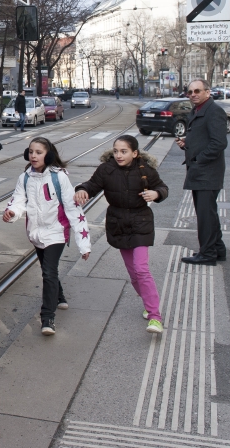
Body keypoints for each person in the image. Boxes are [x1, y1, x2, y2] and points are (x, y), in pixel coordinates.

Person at [74, 136, 168, 334]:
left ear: (134, 153)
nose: (118, 155)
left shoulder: (145, 170)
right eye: (116, 150)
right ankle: (148, 303)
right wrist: (82, 190)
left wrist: (156, 194)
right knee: (134, 273)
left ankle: (155, 316)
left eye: (123, 151)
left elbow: (162, 187)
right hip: (119, 225)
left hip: (141, 223)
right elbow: (92, 185)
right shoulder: (106, 170)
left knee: (141, 269)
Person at [2, 137, 91, 336]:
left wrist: (84, 244)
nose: (33, 156)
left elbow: (73, 209)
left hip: (56, 232)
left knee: (48, 272)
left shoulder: (59, 178)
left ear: (48, 155)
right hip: (35, 233)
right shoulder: (24, 178)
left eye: (39, 152)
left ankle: (47, 318)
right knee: (47, 269)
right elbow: (18, 201)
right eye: (31, 151)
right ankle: (59, 296)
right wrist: (12, 213)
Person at [176, 79, 227, 265]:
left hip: (207, 172)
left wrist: (198, 159)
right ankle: (218, 249)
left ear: (207, 92)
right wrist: (187, 142)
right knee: (208, 213)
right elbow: (203, 138)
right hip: (201, 171)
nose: (193, 95)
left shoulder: (214, 111)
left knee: (205, 216)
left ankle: (207, 254)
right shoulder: (198, 110)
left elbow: (219, 143)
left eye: (197, 91)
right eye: (190, 92)